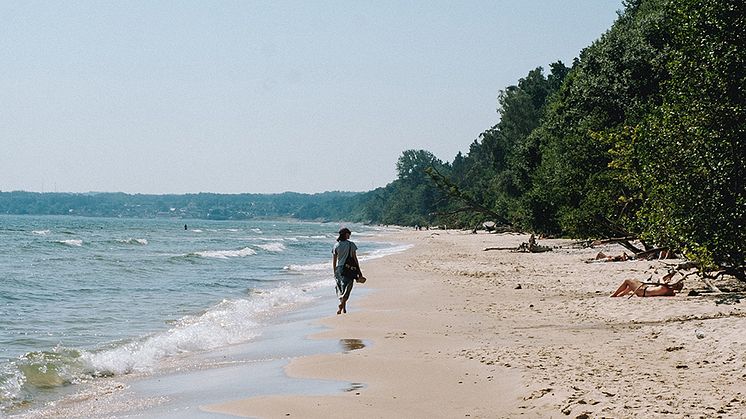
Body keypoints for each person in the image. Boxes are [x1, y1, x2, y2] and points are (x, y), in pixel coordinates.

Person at [332, 227, 363, 314]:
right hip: (349, 269)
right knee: (348, 288)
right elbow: (355, 259)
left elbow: (334, 261)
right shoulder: (351, 245)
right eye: (349, 233)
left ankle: (343, 308)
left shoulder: (336, 245)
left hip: (339, 269)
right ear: (346, 234)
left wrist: (334, 272)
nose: (350, 235)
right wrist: (359, 271)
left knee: (340, 288)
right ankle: (342, 305)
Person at [610, 272, 684, 297]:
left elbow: (661, 278)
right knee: (635, 281)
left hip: (642, 291)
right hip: (644, 290)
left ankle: (614, 294)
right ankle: (620, 295)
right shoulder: (670, 292)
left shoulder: (664, 287)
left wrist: (666, 276)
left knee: (628, 280)